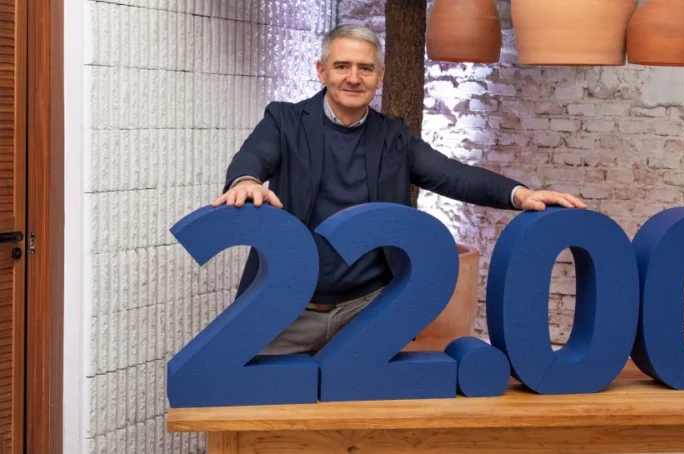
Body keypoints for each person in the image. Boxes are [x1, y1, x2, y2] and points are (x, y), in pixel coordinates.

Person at [211, 24, 586, 355]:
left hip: (367, 313)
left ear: (380, 75)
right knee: (254, 405)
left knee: (368, 411)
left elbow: (452, 174)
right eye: (342, 66)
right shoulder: (285, 120)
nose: (353, 78)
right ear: (321, 71)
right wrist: (246, 181)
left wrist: (520, 194)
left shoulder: (394, 137)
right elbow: (252, 158)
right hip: (286, 308)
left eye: (365, 68)